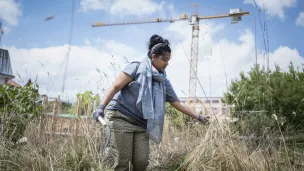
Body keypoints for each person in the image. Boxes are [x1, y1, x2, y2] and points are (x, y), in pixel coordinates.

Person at [93, 34, 208, 171]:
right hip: (121, 118)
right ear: (154, 57)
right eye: (164, 59)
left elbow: (177, 103)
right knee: (121, 163)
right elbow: (115, 87)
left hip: (142, 124)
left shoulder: (163, 81)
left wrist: (199, 117)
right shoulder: (136, 68)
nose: (167, 63)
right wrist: (101, 107)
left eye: (168, 60)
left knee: (141, 162)